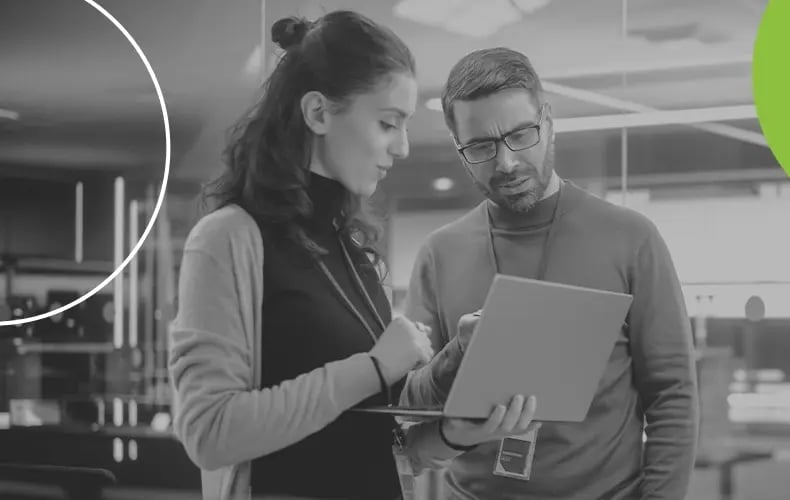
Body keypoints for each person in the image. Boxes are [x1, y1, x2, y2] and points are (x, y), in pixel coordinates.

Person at [168, 13, 538, 500]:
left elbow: (371, 439)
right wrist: (374, 367)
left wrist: (454, 410)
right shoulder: (228, 240)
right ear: (318, 113)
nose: (403, 146)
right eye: (388, 123)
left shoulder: (359, 257)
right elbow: (209, 433)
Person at [400, 47, 699, 499]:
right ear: (459, 150)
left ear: (548, 122)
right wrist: (457, 356)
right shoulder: (440, 253)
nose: (506, 162)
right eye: (481, 146)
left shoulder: (630, 238)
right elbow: (412, 406)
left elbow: (672, 394)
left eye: (521, 134)